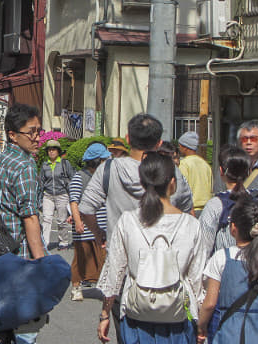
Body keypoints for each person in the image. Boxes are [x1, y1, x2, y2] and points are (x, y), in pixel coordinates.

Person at [79, 113, 194, 341]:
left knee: (128, 330)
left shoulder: (109, 169)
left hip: (124, 268)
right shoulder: (171, 172)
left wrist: (100, 234)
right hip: (168, 268)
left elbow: (86, 207)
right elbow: (187, 211)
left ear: (127, 138)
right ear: (159, 143)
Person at [97, 152, 206, 344]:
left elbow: (115, 271)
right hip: (178, 316)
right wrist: (202, 323)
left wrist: (105, 314)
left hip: (136, 315)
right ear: (173, 183)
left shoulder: (128, 221)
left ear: (143, 183)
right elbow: (197, 280)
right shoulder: (191, 225)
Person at [0, 103, 45, 344]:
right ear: (12, 134)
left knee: (2, 323)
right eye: (31, 132)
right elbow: (30, 217)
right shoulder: (24, 165)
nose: (37, 138)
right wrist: (41, 262)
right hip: (19, 255)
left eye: (39, 131)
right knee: (25, 328)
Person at [197, 197, 258, 344]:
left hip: (229, 334)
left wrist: (201, 326)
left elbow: (210, 303)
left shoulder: (222, 257)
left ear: (233, 228)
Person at [198, 145, 258, 258]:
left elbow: (203, 248)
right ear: (249, 172)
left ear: (221, 171)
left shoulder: (216, 205)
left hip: (226, 271)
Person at [68, 143, 109, 301]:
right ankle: (76, 287)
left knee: (103, 256)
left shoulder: (104, 176)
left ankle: (105, 288)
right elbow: (74, 201)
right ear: (96, 161)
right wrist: (78, 221)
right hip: (84, 227)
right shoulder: (80, 177)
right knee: (81, 257)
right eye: (104, 159)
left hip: (102, 225)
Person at [38, 140, 73, 250]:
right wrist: (39, 198)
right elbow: (41, 182)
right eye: (49, 150)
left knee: (62, 220)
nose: (51, 152)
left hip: (62, 194)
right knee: (46, 219)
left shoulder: (64, 163)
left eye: (53, 149)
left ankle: (63, 242)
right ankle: (44, 243)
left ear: (58, 151)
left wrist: (72, 196)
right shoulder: (45, 165)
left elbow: (72, 178)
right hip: (48, 195)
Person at [178, 131, 213, 217]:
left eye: (180, 146)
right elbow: (211, 187)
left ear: (185, 147)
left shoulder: (184, 164)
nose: (179, 148)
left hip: (191, 210)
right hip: (207, 210)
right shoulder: (205, 164)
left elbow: (181, 189)